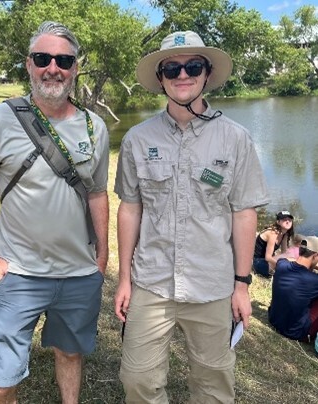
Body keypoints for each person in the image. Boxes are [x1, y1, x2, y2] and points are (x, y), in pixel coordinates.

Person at [114, 31, 270, 403]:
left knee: (214, 385)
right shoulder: (137, 139)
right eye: (172, 67)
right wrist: (123, 279)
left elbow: (244, 212)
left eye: (193, 66)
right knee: (136, 379)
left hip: (213, 284)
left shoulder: (236, 138)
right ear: (161, 78)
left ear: (206, 73)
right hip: (151, 280)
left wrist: (242, 284)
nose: (182, 74)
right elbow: (130, 208)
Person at [0, 21, 109, 404]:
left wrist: (103, 256)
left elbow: (96, 193)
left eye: (63, 60)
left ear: (75, 67)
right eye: (43, 58)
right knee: (2, 378)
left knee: (70, 352)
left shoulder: (95, 128)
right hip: (18, 273)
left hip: (78, 273)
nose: (52, 68)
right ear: (29, 65)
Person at [268, 240, 318, 342]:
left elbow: (288, 259)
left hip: (274, 320)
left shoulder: (281, 264)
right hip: (296, 333)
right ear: (315, 255)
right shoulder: (314, 280)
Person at [253, 211, 295, 278]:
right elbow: (268, 257)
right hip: (258, 262)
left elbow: (284, 253)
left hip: (268, 262)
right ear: (278, 222)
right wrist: (282, 264)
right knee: (287, 267)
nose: (287, 221)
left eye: (289, 220)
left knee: (293, 257)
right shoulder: (273, 233)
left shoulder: (284, 234)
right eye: (284, 219)